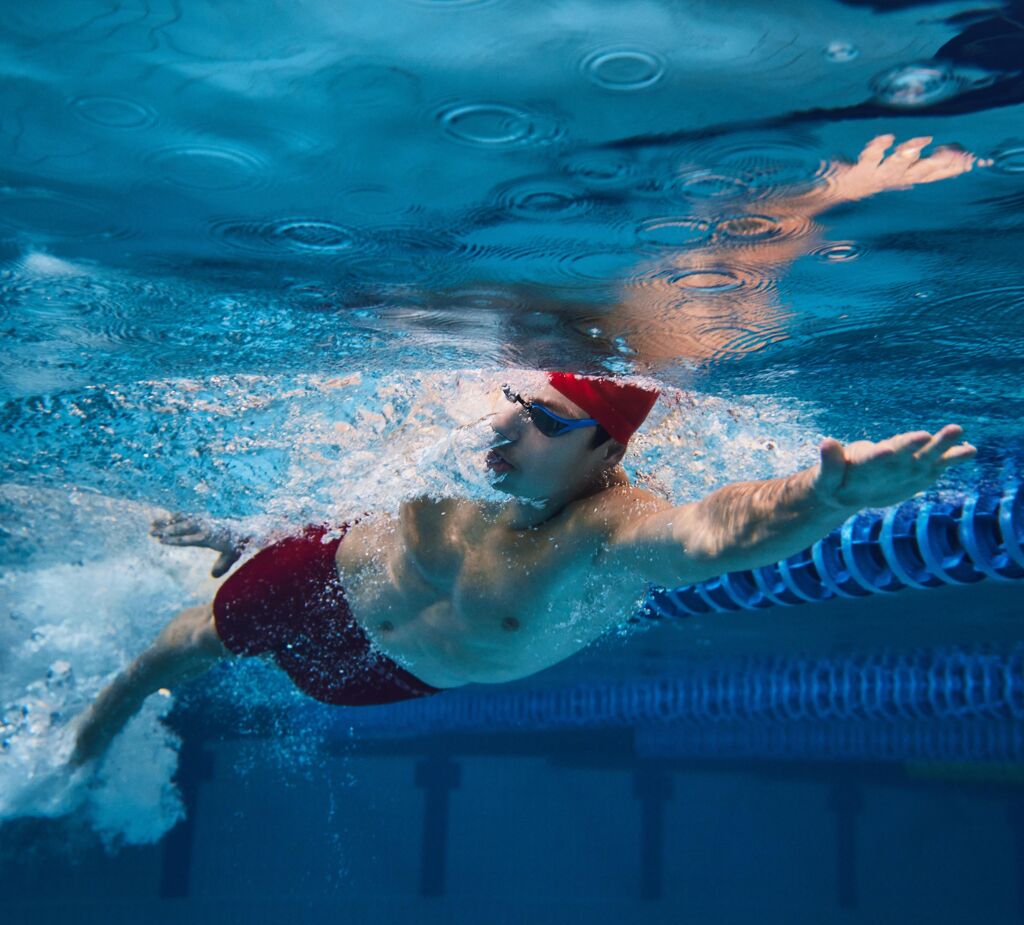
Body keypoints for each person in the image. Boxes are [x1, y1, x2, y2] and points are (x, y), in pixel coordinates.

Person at [68, 135, 981, 766]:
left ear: (604, 457)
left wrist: (828, 500)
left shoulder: (613, 529)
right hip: (323, 577)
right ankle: (74, 757)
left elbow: (716, 534)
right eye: (514, 401)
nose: (505, 428)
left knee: (264, 656)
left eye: (544, 422)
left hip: (390, 677)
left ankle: (226, 545)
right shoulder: (472, 415)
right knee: (173, 653)